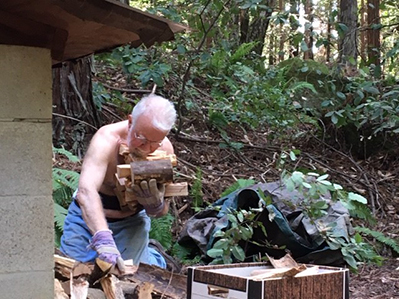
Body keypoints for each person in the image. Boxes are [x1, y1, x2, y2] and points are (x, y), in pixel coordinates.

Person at [60, 94, 177, 272]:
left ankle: (154, 258)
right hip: (85, 218)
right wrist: (102, 237)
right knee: (72, 274)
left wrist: (156, 206)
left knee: (127, 277)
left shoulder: (165, 149)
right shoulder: (106, 140)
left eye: (155, 143)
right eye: (141, 138)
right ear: (130, 122)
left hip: (131, 222)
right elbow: (86, 191)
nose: (146, 148)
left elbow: (163, 211)